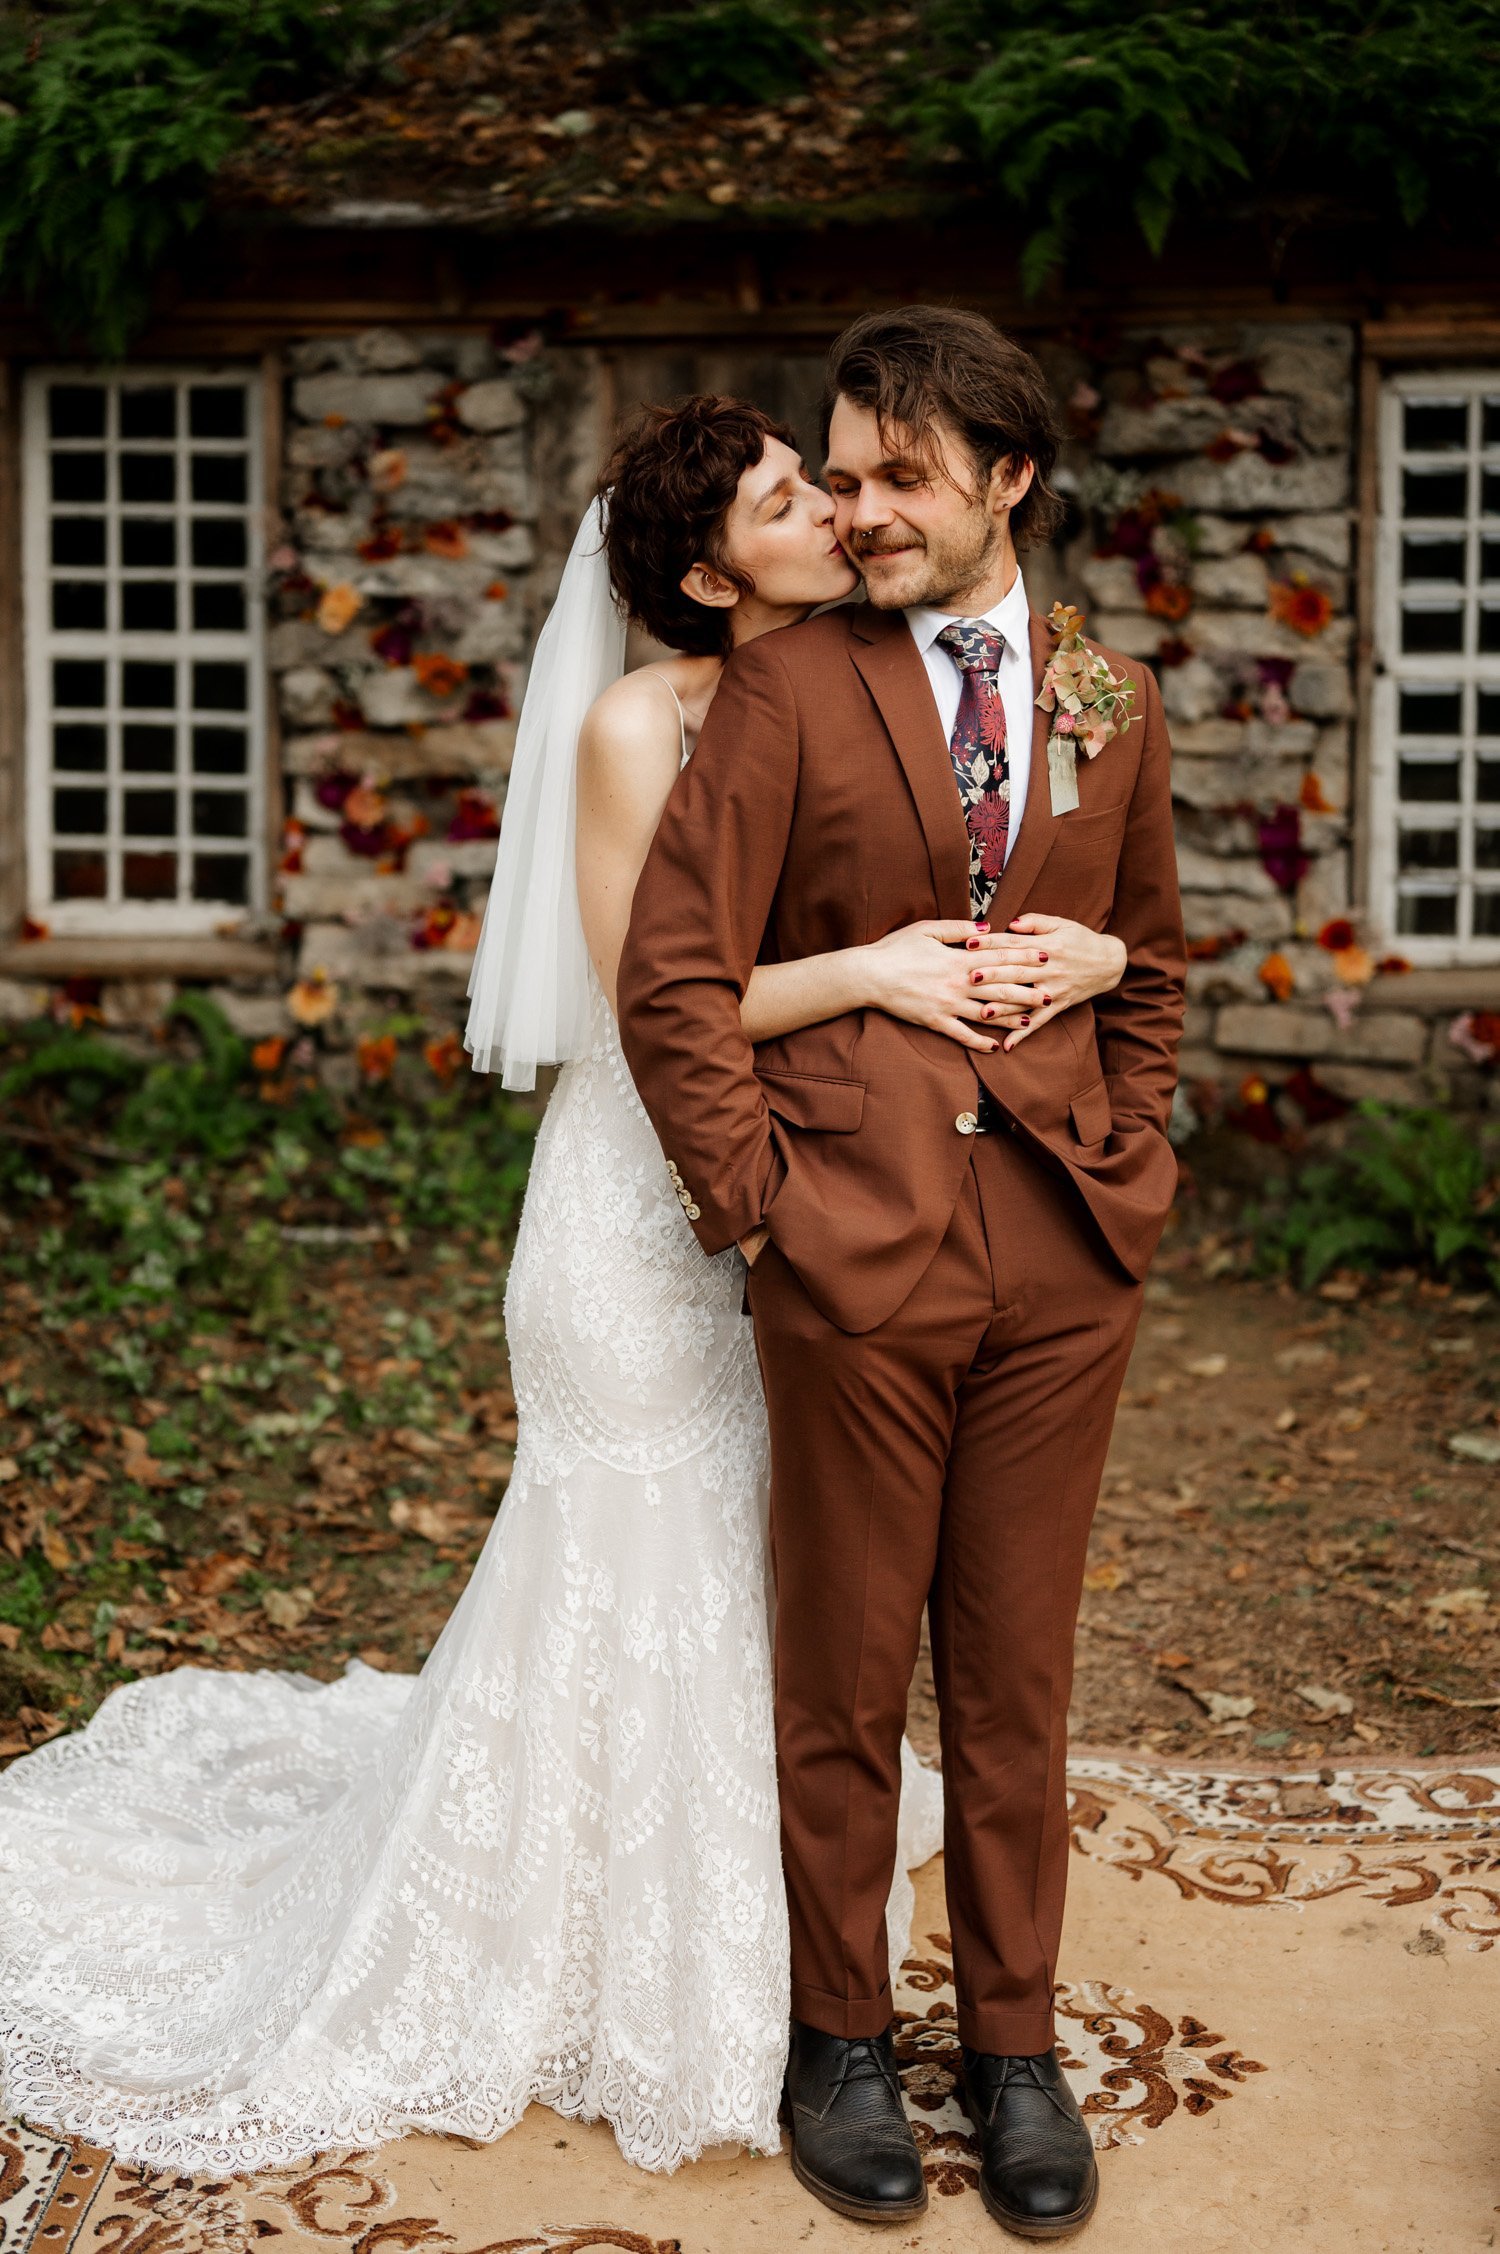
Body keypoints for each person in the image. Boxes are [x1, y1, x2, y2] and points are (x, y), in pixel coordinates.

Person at [0, 389, 1126, 2187]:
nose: (833, 511)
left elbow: (1024, 794)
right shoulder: (633, 723)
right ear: (701, 568)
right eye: (789, 494)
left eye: (830, 482)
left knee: (770, 1560)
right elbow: (645, 999)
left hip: (827, 1186)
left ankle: (761, 1940)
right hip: (637, 1201)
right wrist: (882, 969)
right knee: (635, 1547)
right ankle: (619, 1948)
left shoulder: (872, 668)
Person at [618, 311, 1185, 2238]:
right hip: (849, 1247)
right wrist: (758, 1199)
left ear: (1009, 483)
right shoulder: (785, 692)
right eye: (839, 477)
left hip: (1065, 1253)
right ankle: (839, 2037)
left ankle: (1013, 2050)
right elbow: (673, 979)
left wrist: (1136, 1144)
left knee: (1017, 1676)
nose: (856, 513)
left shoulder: (1112, 691)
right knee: (846, 1676)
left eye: (896, 481)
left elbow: (1154, 963)